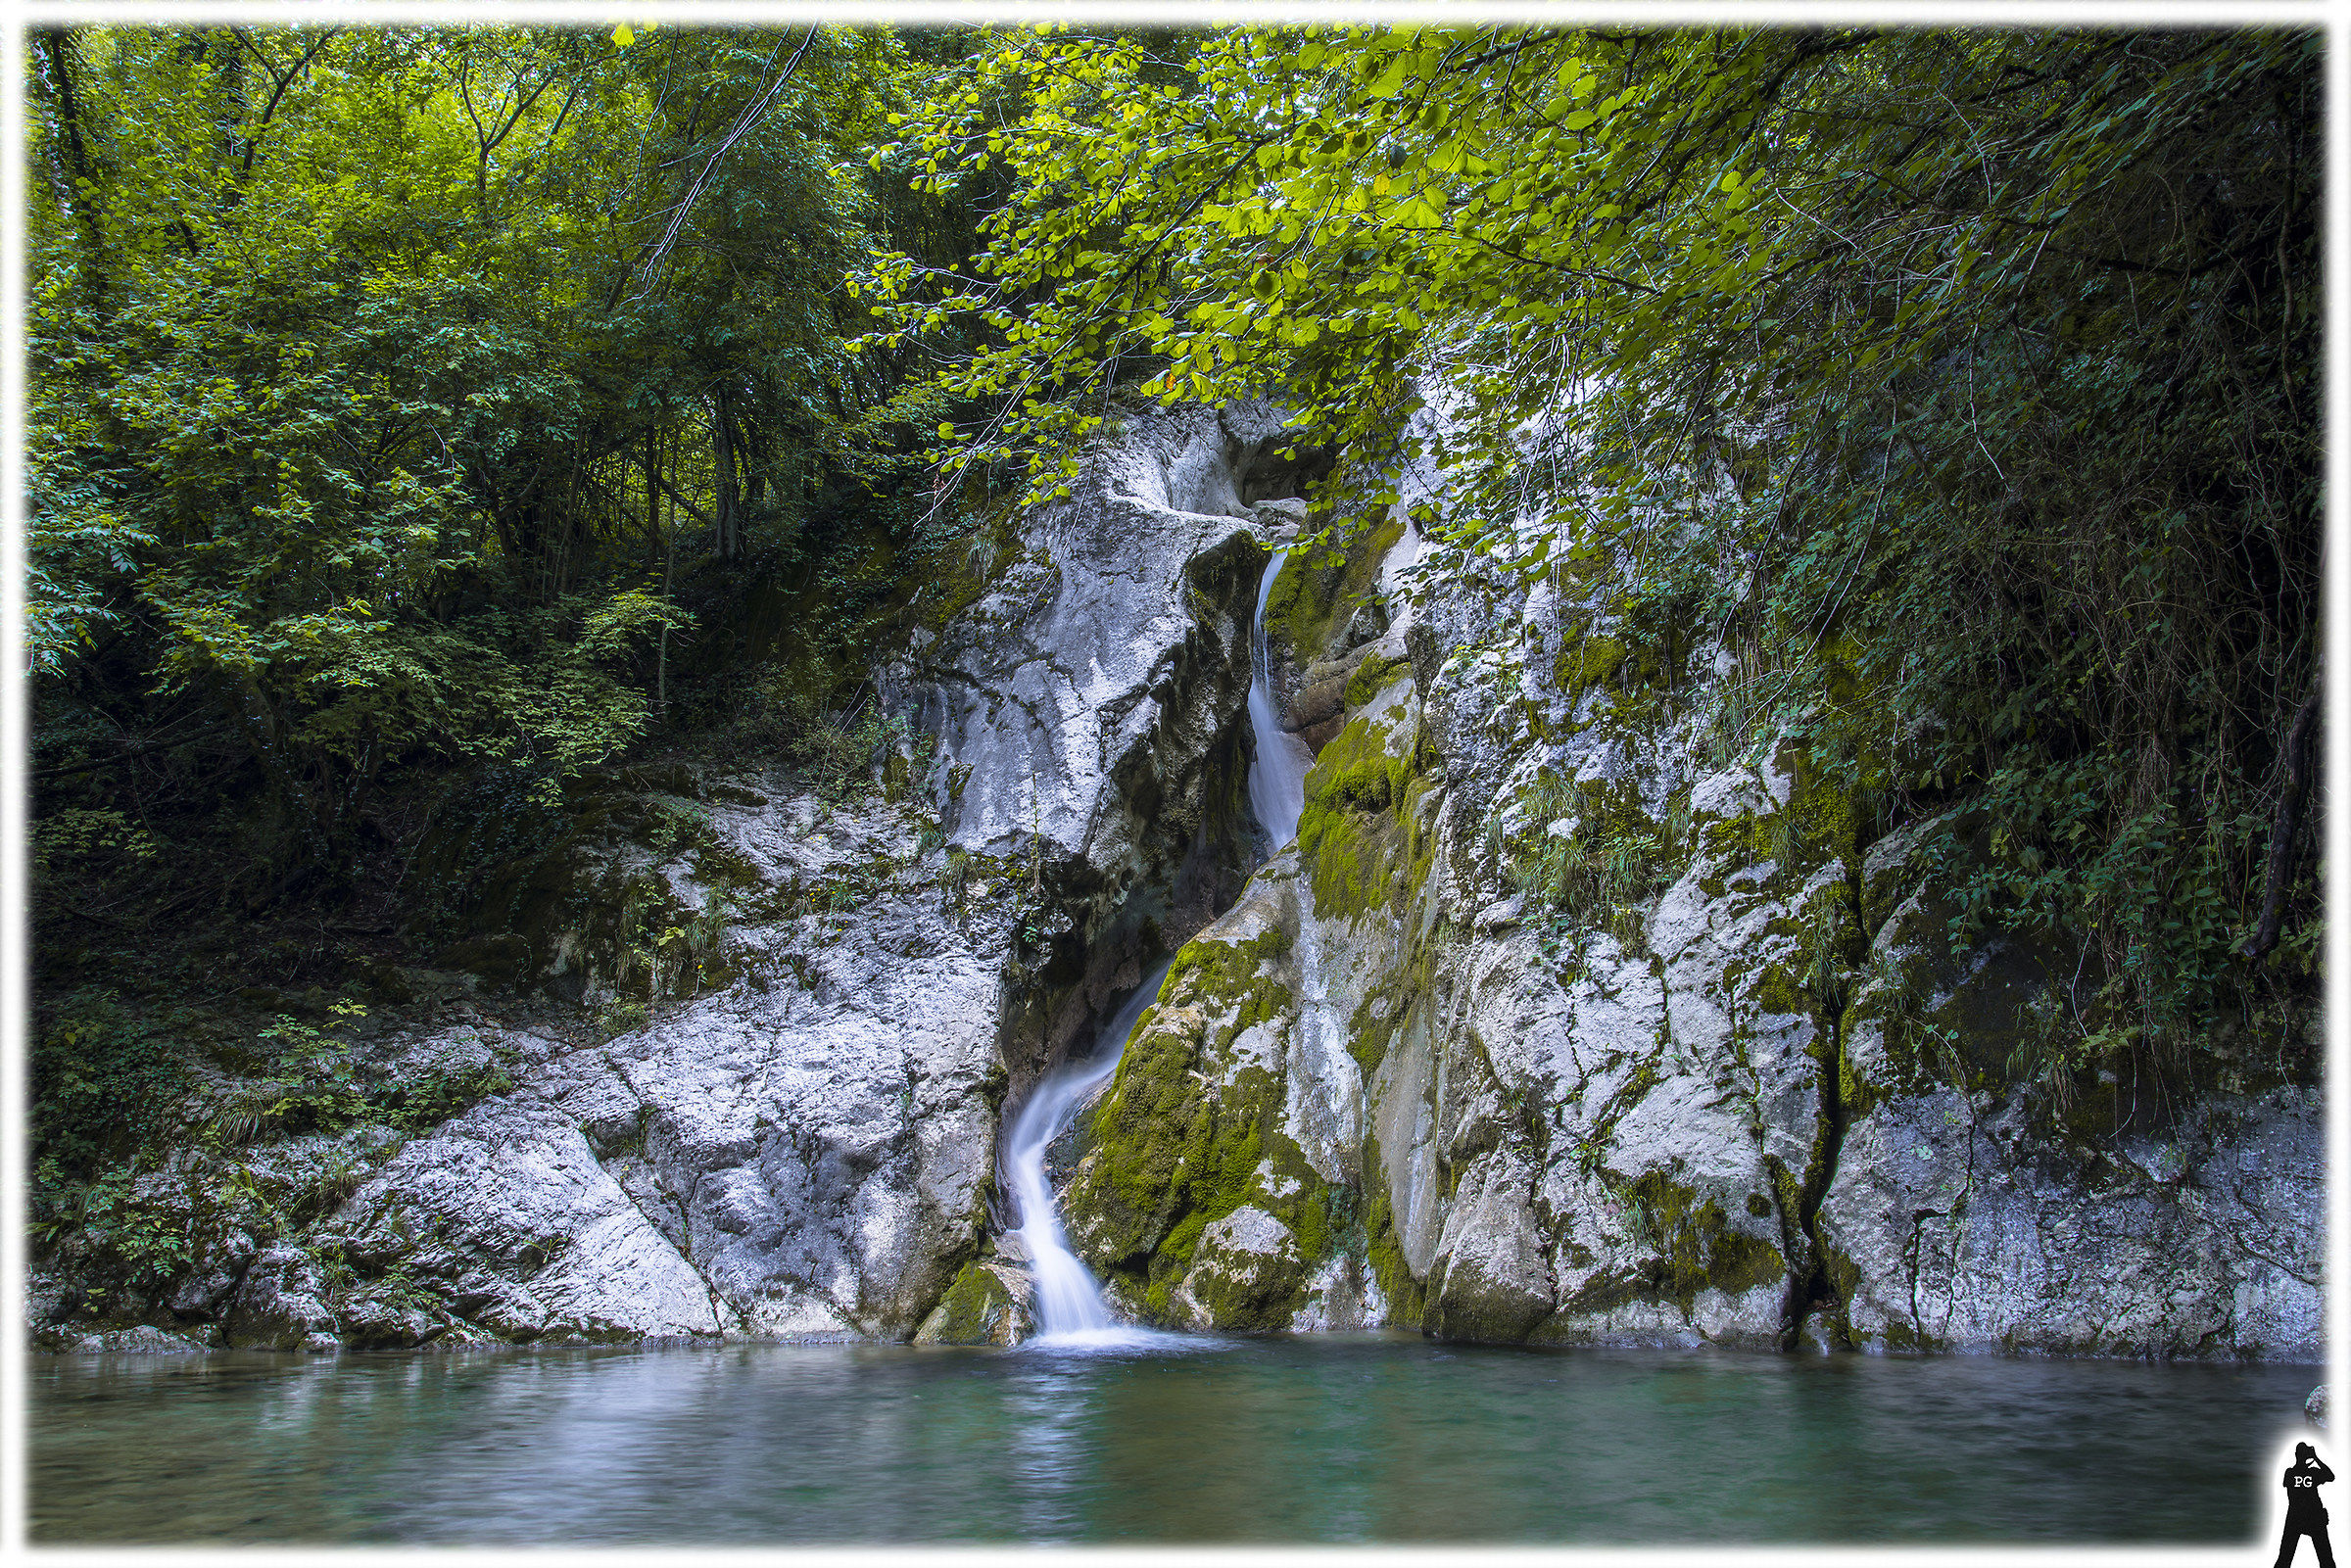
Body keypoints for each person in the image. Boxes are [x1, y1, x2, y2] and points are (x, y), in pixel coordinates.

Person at [2279, 1443, 2336, 1568]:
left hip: (2295, 1518)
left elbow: (2331, 1477)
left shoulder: (2289, 1473)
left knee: (2284, 1559)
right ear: (2306, 1456)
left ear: (2296, 1455)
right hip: (2313, 1517)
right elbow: (2330, 1476)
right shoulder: (2313, 1473)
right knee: (2326, 1560)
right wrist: (2315, 1458)